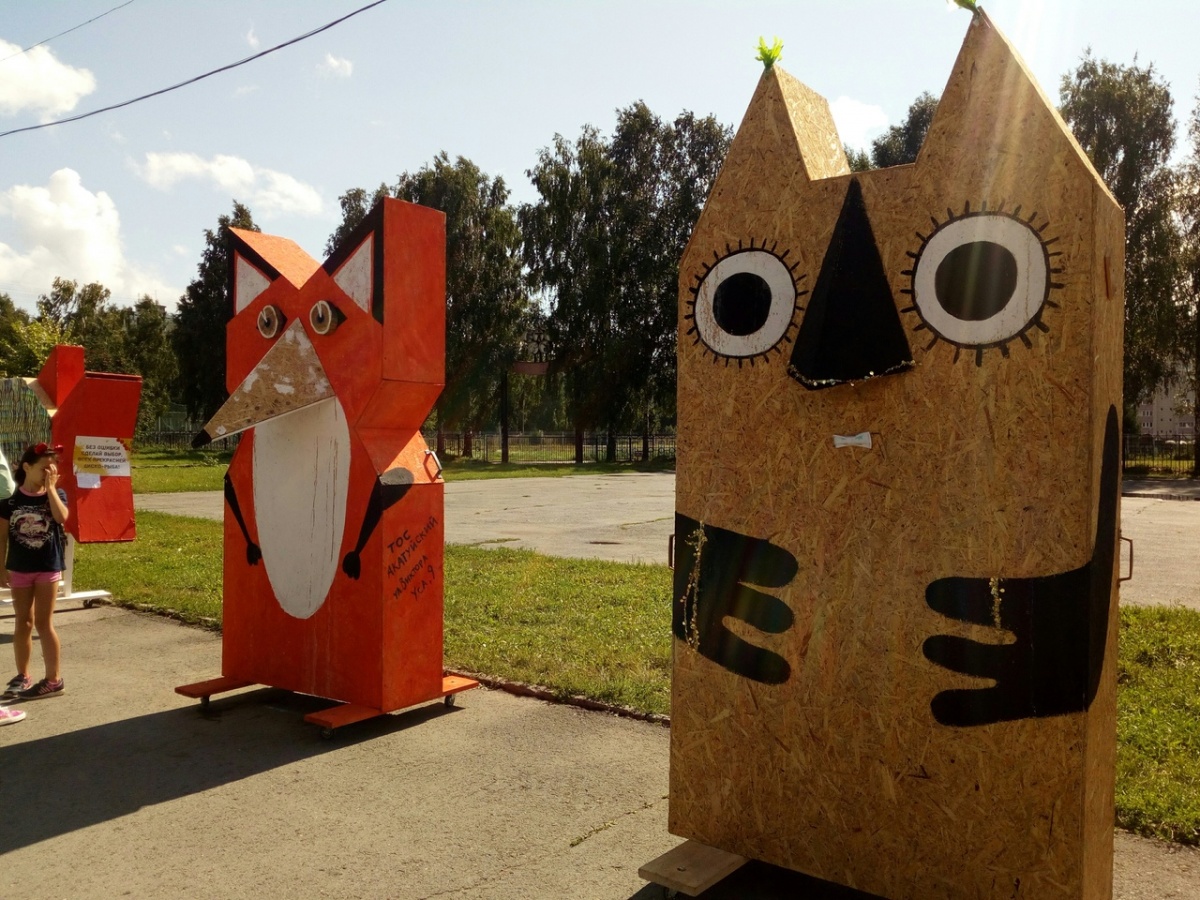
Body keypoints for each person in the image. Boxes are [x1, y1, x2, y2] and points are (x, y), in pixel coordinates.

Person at [0, 442, 69, 701]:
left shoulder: (58, 495)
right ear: (27, 467)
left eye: (54, 468)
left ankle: (53, 679)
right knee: (23, 622)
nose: (50, 472)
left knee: (43, 622)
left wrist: (50, 488)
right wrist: (1, 569)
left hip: (47, 568)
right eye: (44, 468)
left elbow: (62, 518)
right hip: (19, 569)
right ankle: (23, 675)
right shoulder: (10, 503)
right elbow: (2, 538)